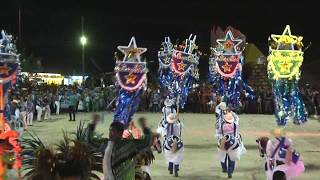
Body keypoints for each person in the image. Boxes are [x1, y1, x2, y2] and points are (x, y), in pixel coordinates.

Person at [216, 110, 245, 178]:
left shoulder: (222, 126)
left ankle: (224, 168)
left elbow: (218, 133)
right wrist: (232, 112)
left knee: (223, 157)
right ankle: (230, 172)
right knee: (232, 159)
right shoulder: (235, 125)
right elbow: (237, 118)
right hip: (233, 144)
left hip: (223, 143)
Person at [162, 113, 184, 177]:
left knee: (169, 157)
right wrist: (178, 120)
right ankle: (176, 169)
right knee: (177, 156)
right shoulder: (178, 125)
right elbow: (181, 127)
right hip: (177, 141)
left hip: (168, 142)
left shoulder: (166, 126)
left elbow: (164, 134)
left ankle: (171, 170)